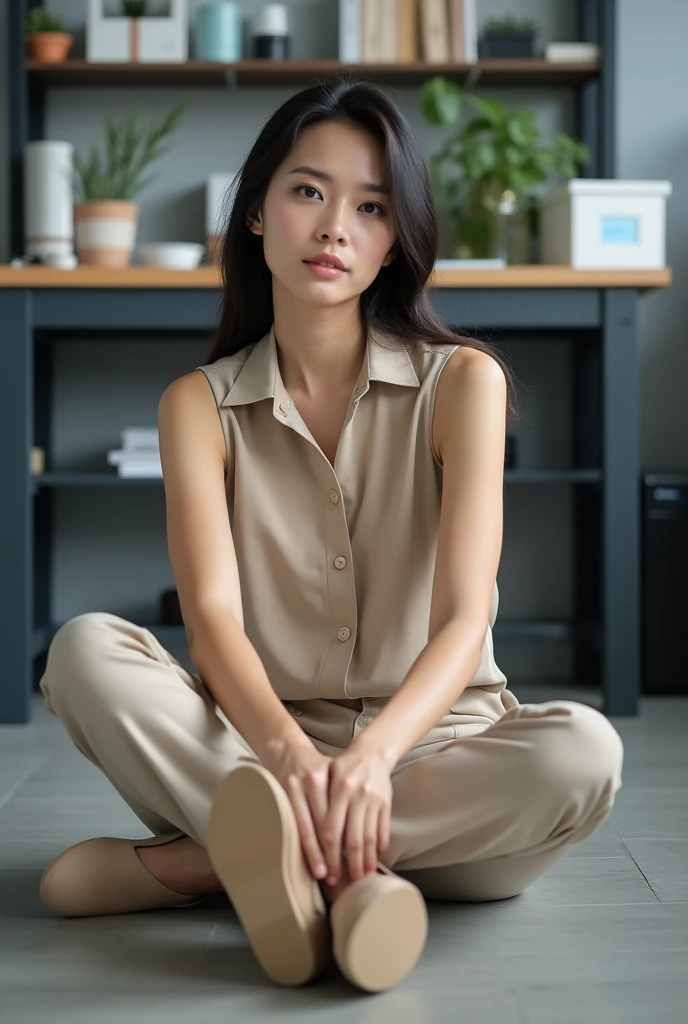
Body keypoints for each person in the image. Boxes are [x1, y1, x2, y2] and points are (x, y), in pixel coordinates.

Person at [37, 76, 624, 994]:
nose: (334, 226)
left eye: (371, 206)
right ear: (259, 213)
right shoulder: (197, 406)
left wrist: (373, 764)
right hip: (256, 749)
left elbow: (465, 621)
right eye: (308, 191)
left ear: (395, 242)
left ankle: (209, 864)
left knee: (583, 753)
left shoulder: (464, 384)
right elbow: (214, 623)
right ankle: (346, 872)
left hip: (437, 758)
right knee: (82, 651)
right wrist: (295, 761)